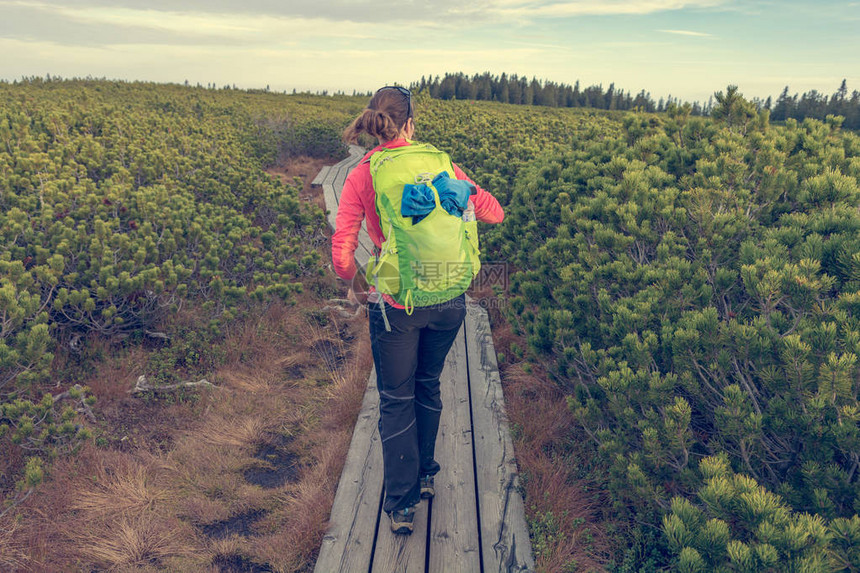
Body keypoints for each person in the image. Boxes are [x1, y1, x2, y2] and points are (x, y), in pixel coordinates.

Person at [331, 86, 504, 534]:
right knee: (428, 385)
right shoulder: (443, 163)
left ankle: (403, 503)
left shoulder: (363, 172)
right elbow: (494, 213)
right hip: (449, 299)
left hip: (396, 304)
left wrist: (357, 284)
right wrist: (460, 194)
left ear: (375, 121)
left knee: (395, 398)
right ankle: (426, 474)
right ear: (411, 122)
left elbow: (343, 250)